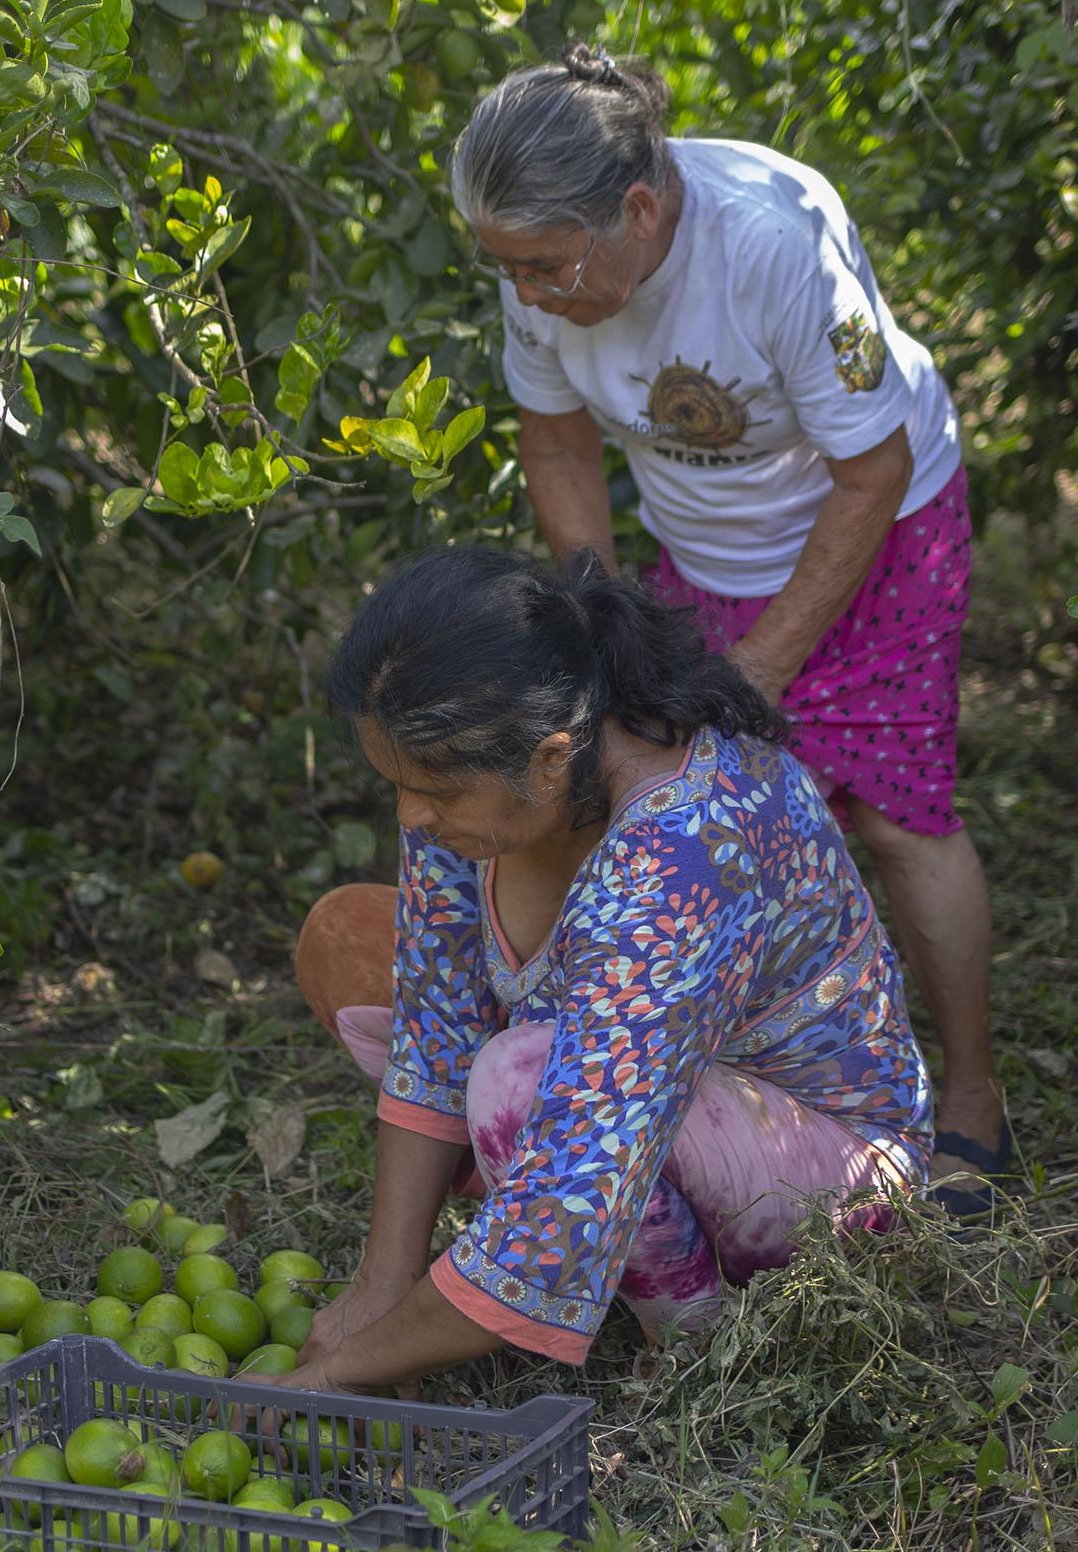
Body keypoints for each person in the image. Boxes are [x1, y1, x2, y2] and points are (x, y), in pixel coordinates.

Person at [441, 42, 1009, 1206]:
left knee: (894, 815)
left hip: (877, 529)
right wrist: (602, 616)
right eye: (506, 267)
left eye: (545, 265)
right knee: (675, 802)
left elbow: (871, 466)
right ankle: (725, 1085)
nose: (528, 293)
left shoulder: (771, 239)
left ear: (639, 209)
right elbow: (556, 442)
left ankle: (969, 1097)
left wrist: (759, 666)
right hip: (696, 553)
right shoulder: (537, 266)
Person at [254, 547, 935, 1394]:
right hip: (647, 1095)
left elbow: (575, 1182)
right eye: (396, 782)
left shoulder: (684, 851)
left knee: (519, 1085)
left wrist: (340, 1373)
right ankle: (567, 1268)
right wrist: (378, 1288)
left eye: (432, 790)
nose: (409, 813)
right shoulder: (478, 784)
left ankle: (695, 1350)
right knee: (355, 949)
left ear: (549, 757)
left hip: (829, 1173)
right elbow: (434, 1030)